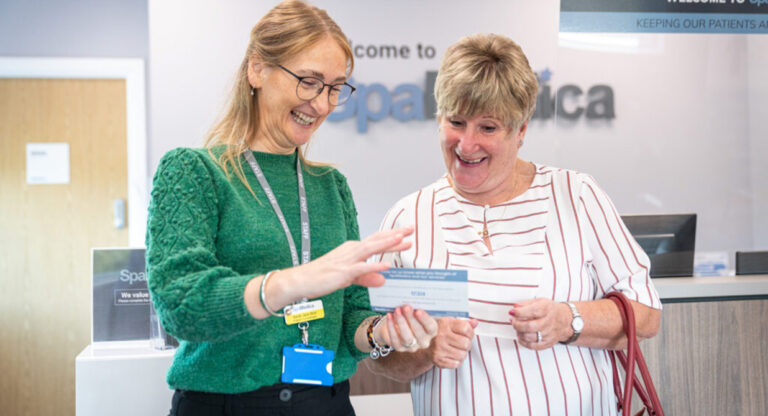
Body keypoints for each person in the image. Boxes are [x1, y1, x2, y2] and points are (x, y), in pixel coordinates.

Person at [145, 1, 437, 415]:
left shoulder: (331, 187)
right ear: (257, 69)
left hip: (324, 402)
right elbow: (181, 306)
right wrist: (296, 281)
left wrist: (381, 331)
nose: (321, 104)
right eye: (309, 81)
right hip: (227, 406)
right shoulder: (193, 171)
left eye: (336, 87)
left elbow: (351, 315)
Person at [366, 33, 662, 416]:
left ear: (520, 131)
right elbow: (378, 353)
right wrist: (424, 351)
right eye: (456, 122)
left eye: (488, 128)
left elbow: (647, 315)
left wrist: (568, 320)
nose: (466, 144)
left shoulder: (576, 195)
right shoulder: (409, 218)